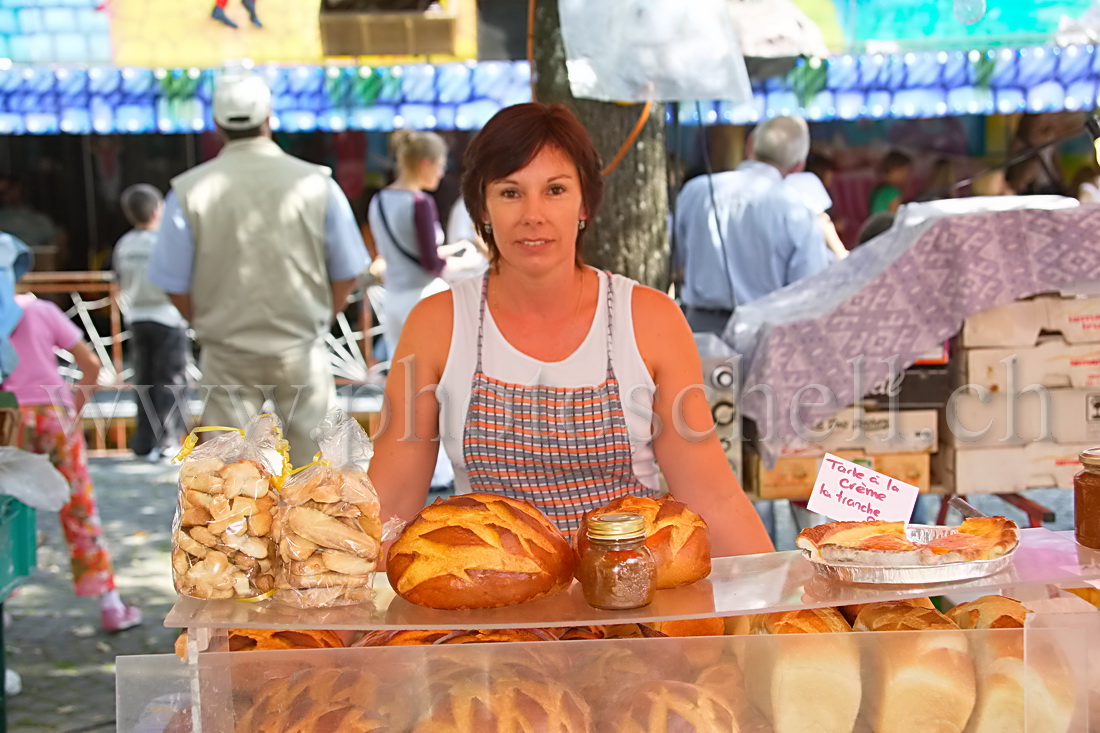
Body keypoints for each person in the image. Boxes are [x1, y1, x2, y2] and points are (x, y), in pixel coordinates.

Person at [367, 102, 773, 557]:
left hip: (628, 600)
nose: (533, 215)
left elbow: (712, 498)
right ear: (482, 207)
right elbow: (391, 505)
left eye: (555, 190)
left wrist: (778, 607)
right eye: (510, 192)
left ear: (585, 203)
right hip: (491, 604)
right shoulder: (437, 324)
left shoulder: (650, 319)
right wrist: (329, 609)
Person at [148, 74, 368, 468]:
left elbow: (173, 281)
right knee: (316, 473)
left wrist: (206, 321)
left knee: (232, 480)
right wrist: (320, 317)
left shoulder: (187, 190)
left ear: (216, 126)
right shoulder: (317, 183)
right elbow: (348, 269)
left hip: (226, 350)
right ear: (269, 116)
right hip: (301, 346)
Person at [2, 289, 142, 632]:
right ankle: (108, 602)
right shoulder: (42, 309)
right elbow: (92, 365)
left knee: (5, 510)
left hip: (7, 415)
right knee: (79, 505)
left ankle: (5, 597)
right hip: (54, 412)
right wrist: (72, 410)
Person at [675, 116, 830, 334]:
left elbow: (675, 256)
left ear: (749, 144)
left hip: (700, 331)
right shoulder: (798, 211)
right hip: (765, 332)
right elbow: (808, 291)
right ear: (798, 167)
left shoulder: (696, 191)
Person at [368, 131, 471, 356]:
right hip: (422, 300)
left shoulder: (378, 201)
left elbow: (403, 251)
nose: (442, 173)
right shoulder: (420, 203)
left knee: (402, 375)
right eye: (440, 165)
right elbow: (432, 265)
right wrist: (466, 263)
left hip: (393, 301)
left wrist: (451, 250)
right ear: (425, 164)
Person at [112, 184, 189, 462]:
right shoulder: (163, 243)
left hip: (136, 316)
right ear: (158, 210)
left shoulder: (125, 243)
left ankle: (143, 440)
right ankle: (168, 440)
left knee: (144, 380)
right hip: (167, 315)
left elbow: (119, 278)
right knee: (171, 381)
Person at [868, 150, 912, 215]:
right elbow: (895, 218)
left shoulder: (876, 190)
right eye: (906, 171)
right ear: (897, 170)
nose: (908, 176)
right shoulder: (893, 192)